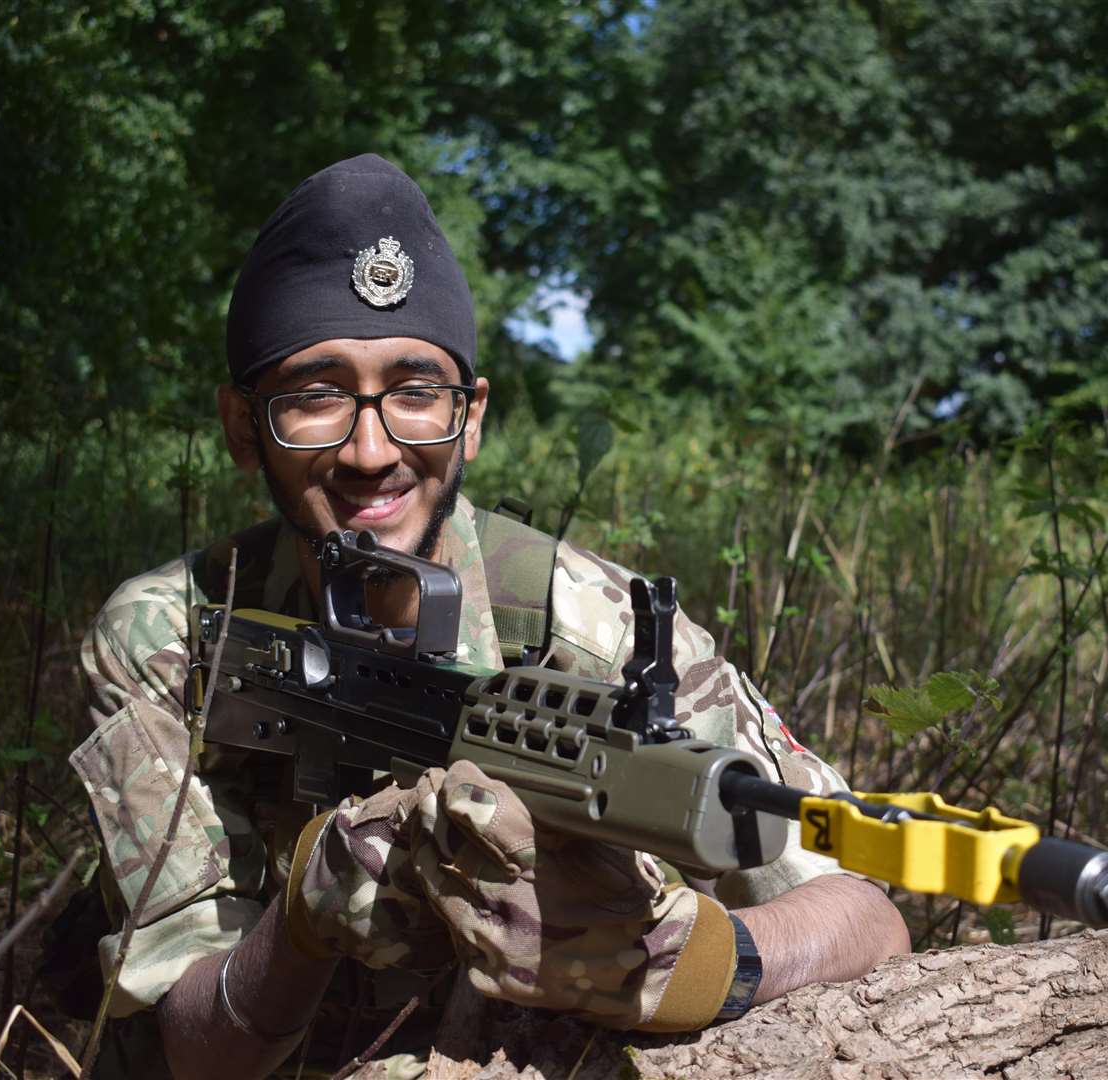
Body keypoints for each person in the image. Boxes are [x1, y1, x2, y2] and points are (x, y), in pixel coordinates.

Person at [68, 154, 909, 1080]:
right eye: (315, 396)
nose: (371, 449)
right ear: (239, 426)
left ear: (469, 418)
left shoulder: (601, 631)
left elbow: (866, 915)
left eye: (415, 392)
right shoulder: (172, 637)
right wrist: (305, 919)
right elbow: (193, 1045)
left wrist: (702, 960)